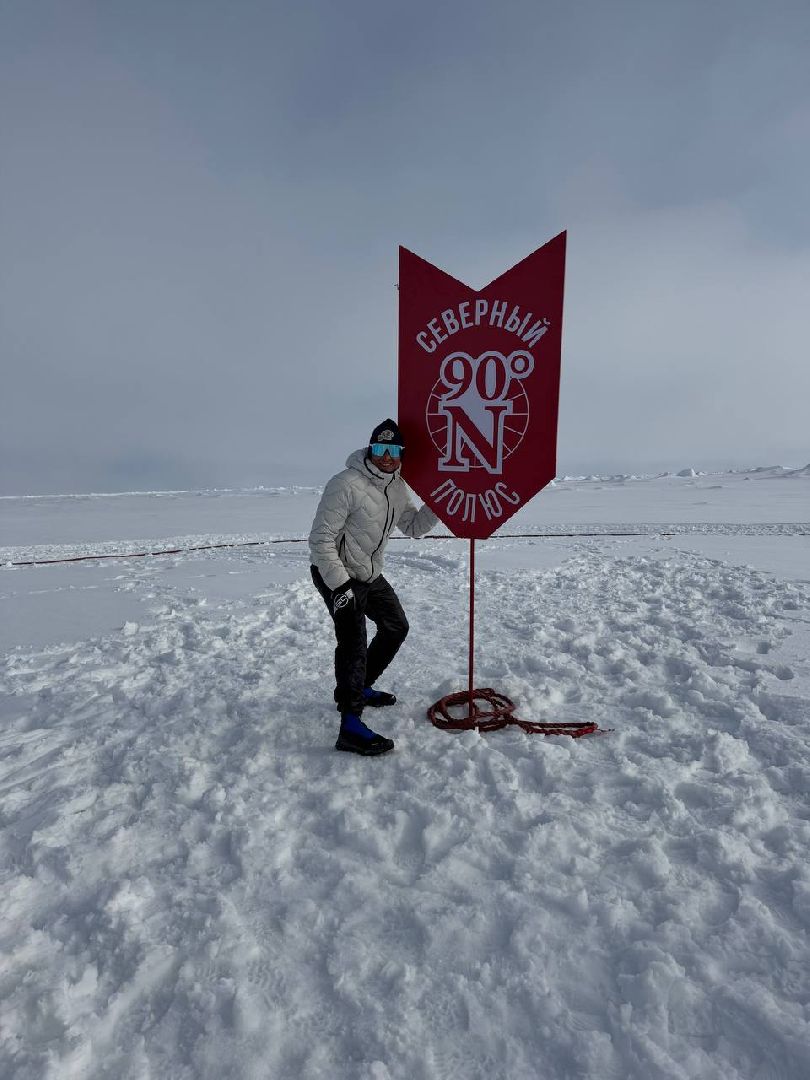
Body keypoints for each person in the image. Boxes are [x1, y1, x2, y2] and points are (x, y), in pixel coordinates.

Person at [309, 419, 438, 756]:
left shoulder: (397, 487)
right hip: (336, 573)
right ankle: (350, 725)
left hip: (367, 573)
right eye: (381, 448)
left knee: (396, 626)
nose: (386, 456)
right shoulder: (345, 484)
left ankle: (361, 687)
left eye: (393, 450)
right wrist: (341, 586)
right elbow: (320, 540)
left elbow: (412, 526)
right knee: (353, 642)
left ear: (401, 453)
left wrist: (438, 503)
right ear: (370, 449)